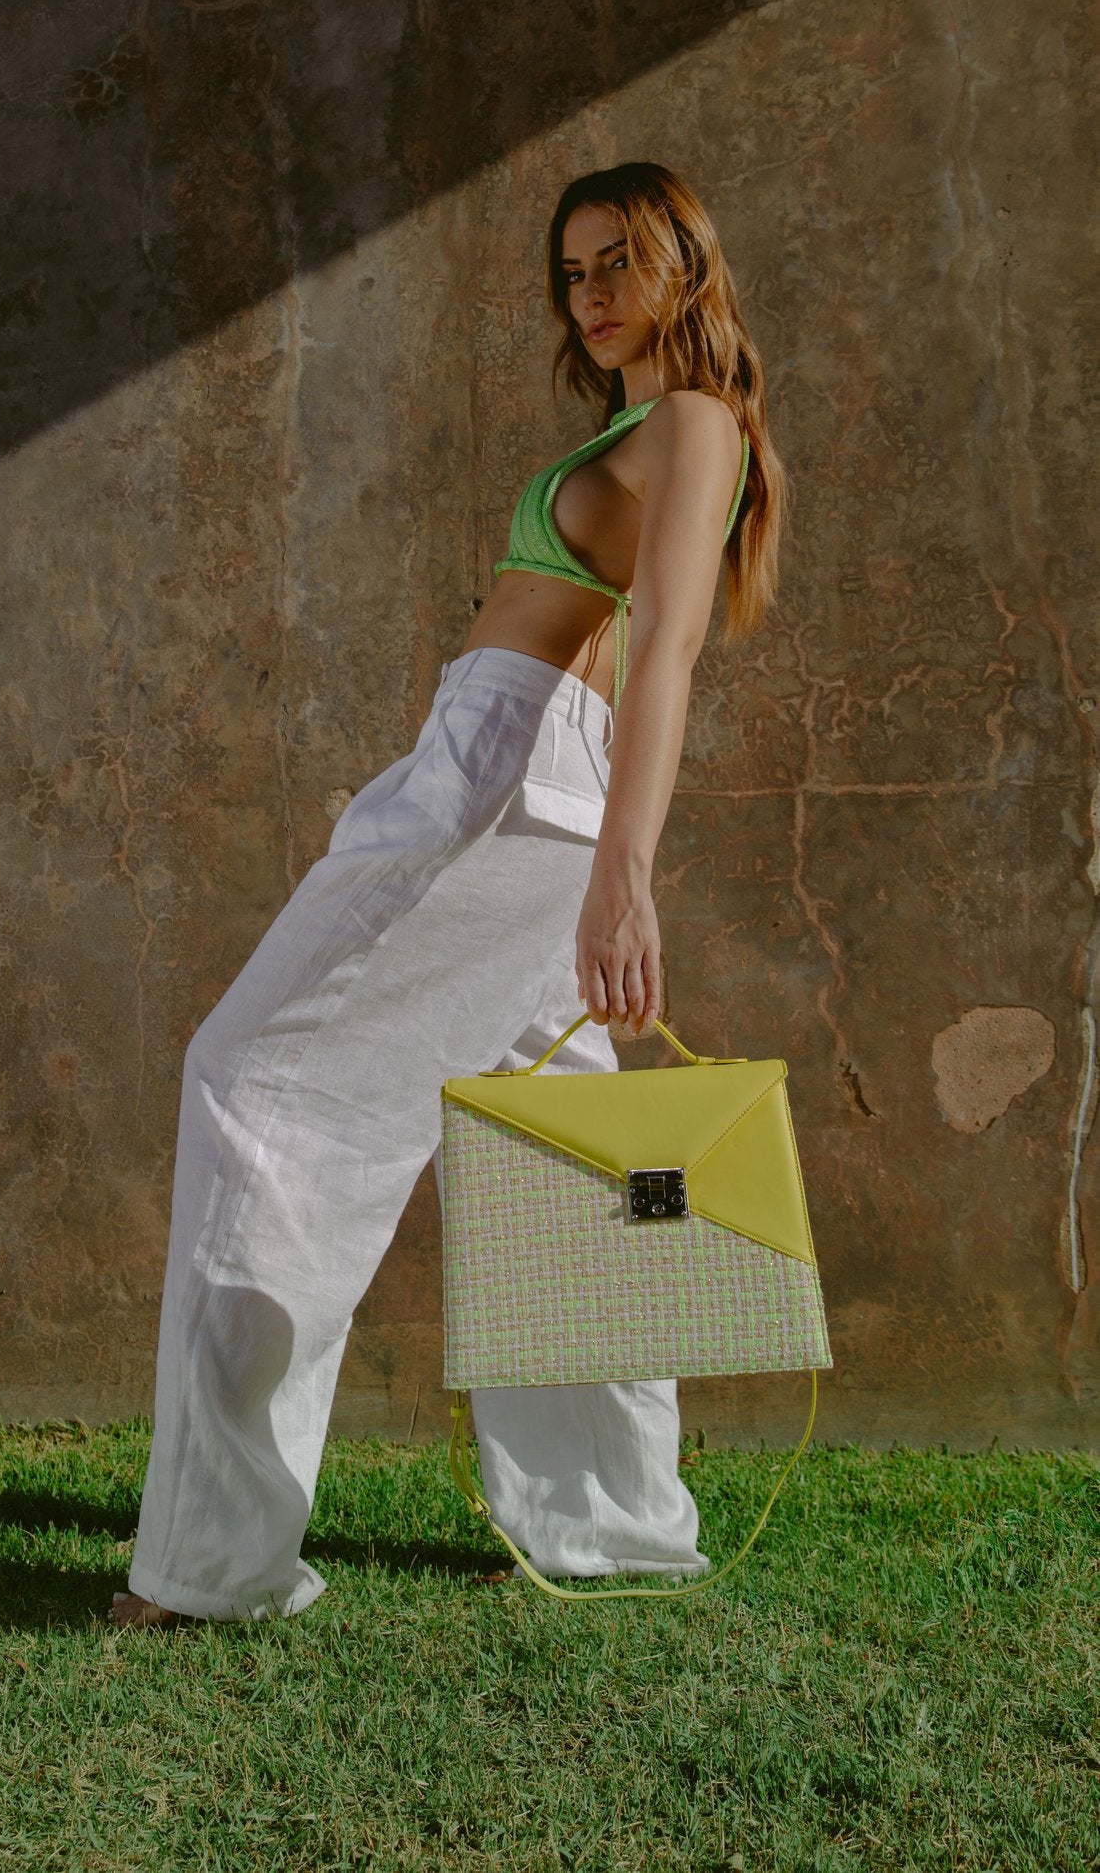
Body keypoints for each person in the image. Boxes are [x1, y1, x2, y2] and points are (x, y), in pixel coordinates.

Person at [110, 160, 784, 1628]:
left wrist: (625, 876)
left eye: (617, 261)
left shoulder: (693, 422)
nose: (590, 294)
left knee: (250, 1083)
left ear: (685, 262)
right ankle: (609, 1526)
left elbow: (662, 651)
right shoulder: (639, 427)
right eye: (572, 271)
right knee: (565, 1149)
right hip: (518, 767)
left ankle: (209, 1561)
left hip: (511, 779)